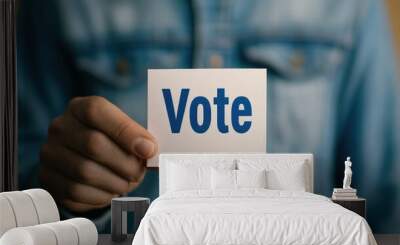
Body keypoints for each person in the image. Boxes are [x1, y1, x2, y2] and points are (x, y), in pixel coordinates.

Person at [17, 0, 399, 233]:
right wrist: (65, 193)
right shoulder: (57, 4)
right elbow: (20, 175)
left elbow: (385, 187)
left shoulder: (351, 4)